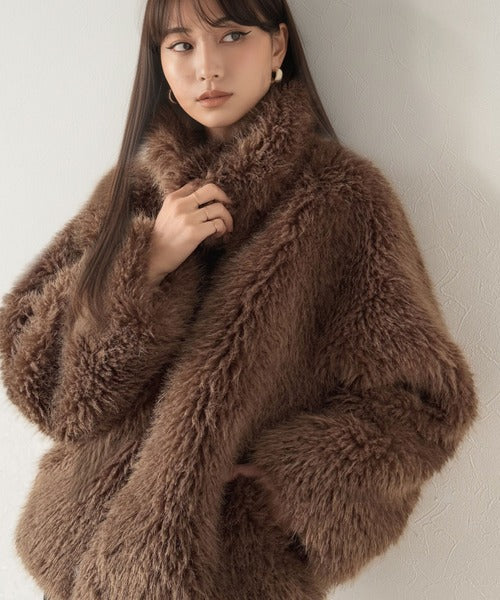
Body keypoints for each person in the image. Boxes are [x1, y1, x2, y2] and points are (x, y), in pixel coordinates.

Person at [0, 0, 478, 599]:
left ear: (277, 46)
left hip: (227, 575)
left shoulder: (342, 199)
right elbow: (46, 387)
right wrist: (147, 264)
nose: (207, 66)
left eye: (231, 36)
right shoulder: (129, 197)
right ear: (160, 63)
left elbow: (425, 405)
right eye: (181, 45)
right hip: (83, 568)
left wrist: (286, 489)